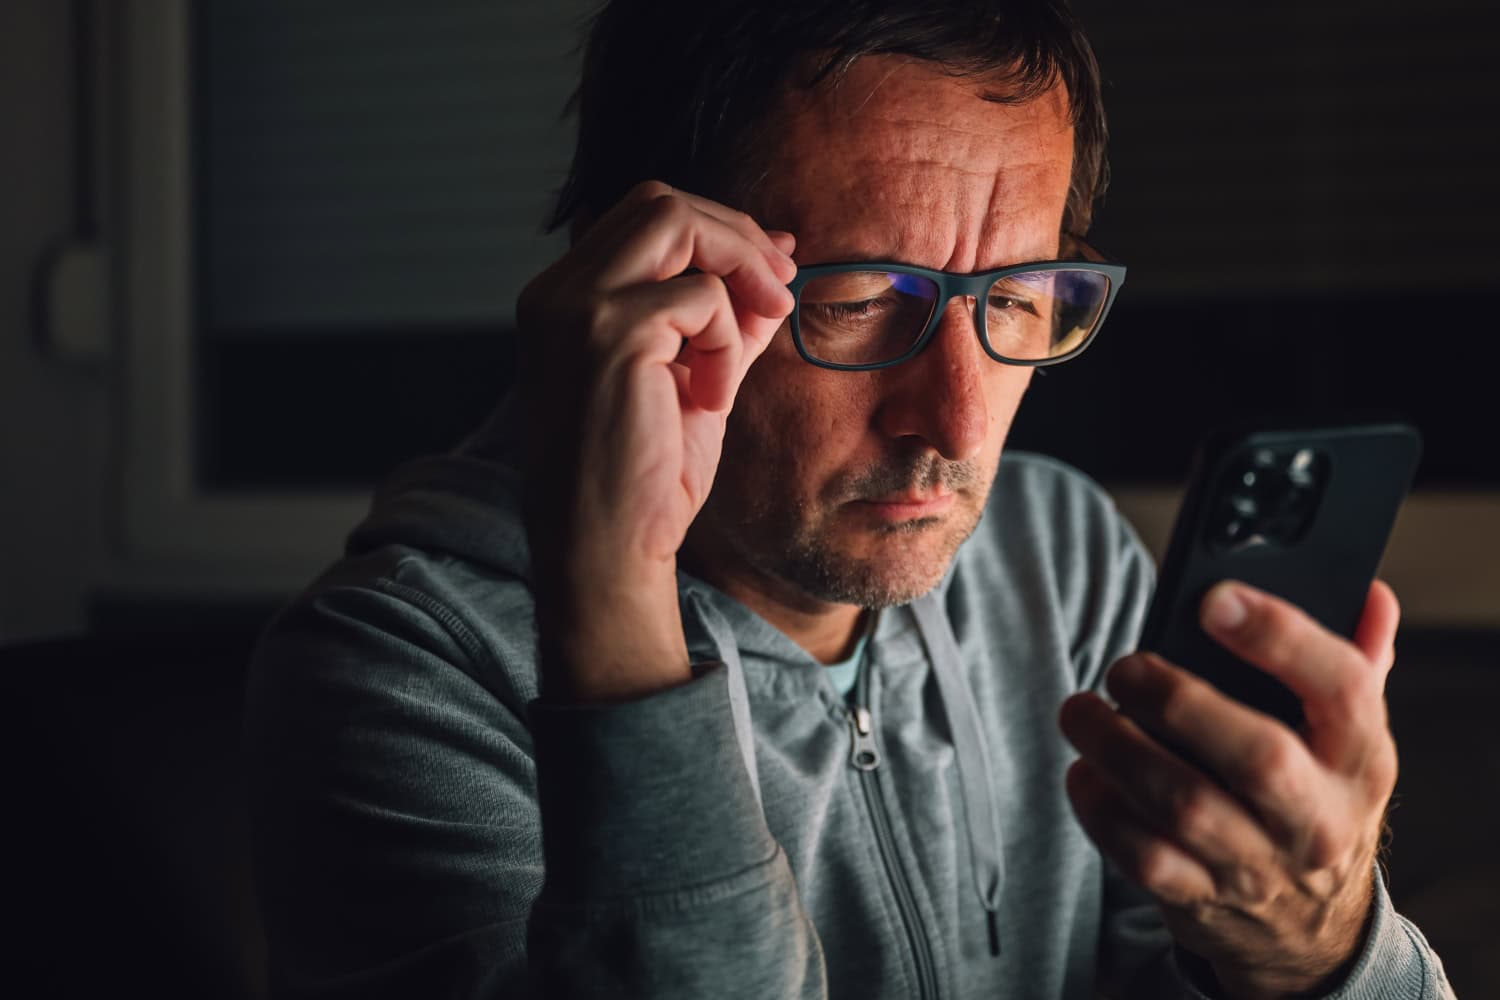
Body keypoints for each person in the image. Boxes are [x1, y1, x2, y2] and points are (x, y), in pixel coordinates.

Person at [245, 2, 1454, 997]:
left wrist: (1316, 950)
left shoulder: (1060, 557)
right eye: (866, 297)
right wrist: (613, 622)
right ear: (654, 273)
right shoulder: (405, 677)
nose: (959, 424)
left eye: (1018, 295)